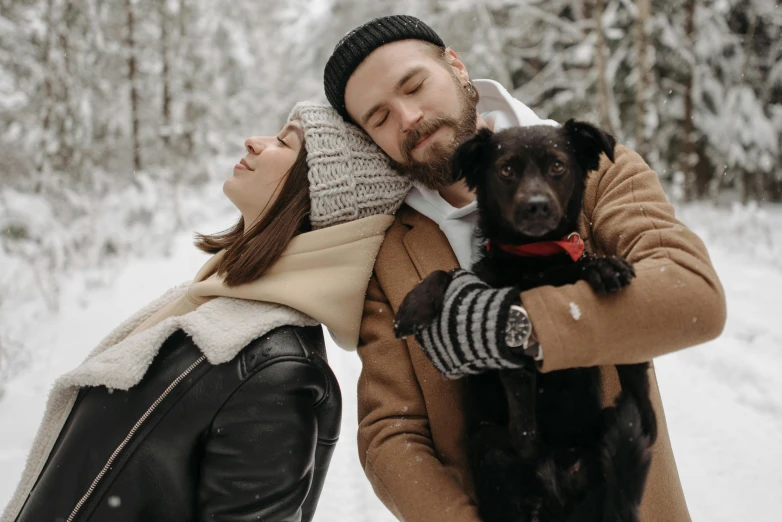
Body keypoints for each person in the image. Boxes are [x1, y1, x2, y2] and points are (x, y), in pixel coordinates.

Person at [323, 15, 726, 522]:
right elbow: (390, 433)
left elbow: (694, 298)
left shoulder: (593, 169)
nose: (407, 117)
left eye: (414, 85)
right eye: (378, 117)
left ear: (455, 66)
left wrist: (518, 324)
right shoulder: (387, 250)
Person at [0, 102, 410, 522]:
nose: (254, 141)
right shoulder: (218, 307)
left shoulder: (273, 371)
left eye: (284, 142)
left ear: (319, 196)